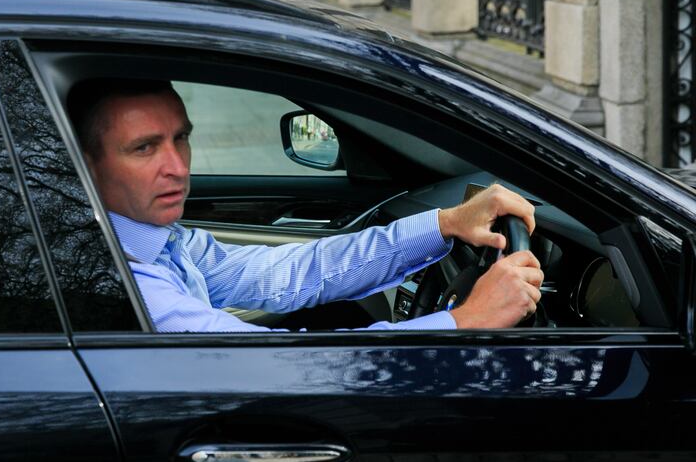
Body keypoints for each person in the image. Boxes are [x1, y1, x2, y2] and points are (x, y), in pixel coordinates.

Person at [67, 79, 543, 332]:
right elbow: (278, 370)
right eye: (144, 148)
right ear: (84, 164)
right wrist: (467, 319)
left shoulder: (160, 242)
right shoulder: (127, 288)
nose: (177, 167)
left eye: (181, 139)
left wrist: (443, 225)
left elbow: (289, 273)